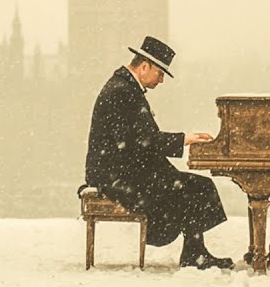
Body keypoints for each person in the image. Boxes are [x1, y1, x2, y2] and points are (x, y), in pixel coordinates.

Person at [83, 36, 233, 270]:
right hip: (115, 176)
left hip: (122, 170)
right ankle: (195, 255)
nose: (161, 80)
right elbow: (139, 141)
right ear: (145, 66)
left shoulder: (125, 88)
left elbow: (139, 141)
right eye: (160, 73)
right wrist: (185, 139)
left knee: (196, 186)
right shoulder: (122, 92)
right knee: (193, 187)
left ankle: (195, 253)